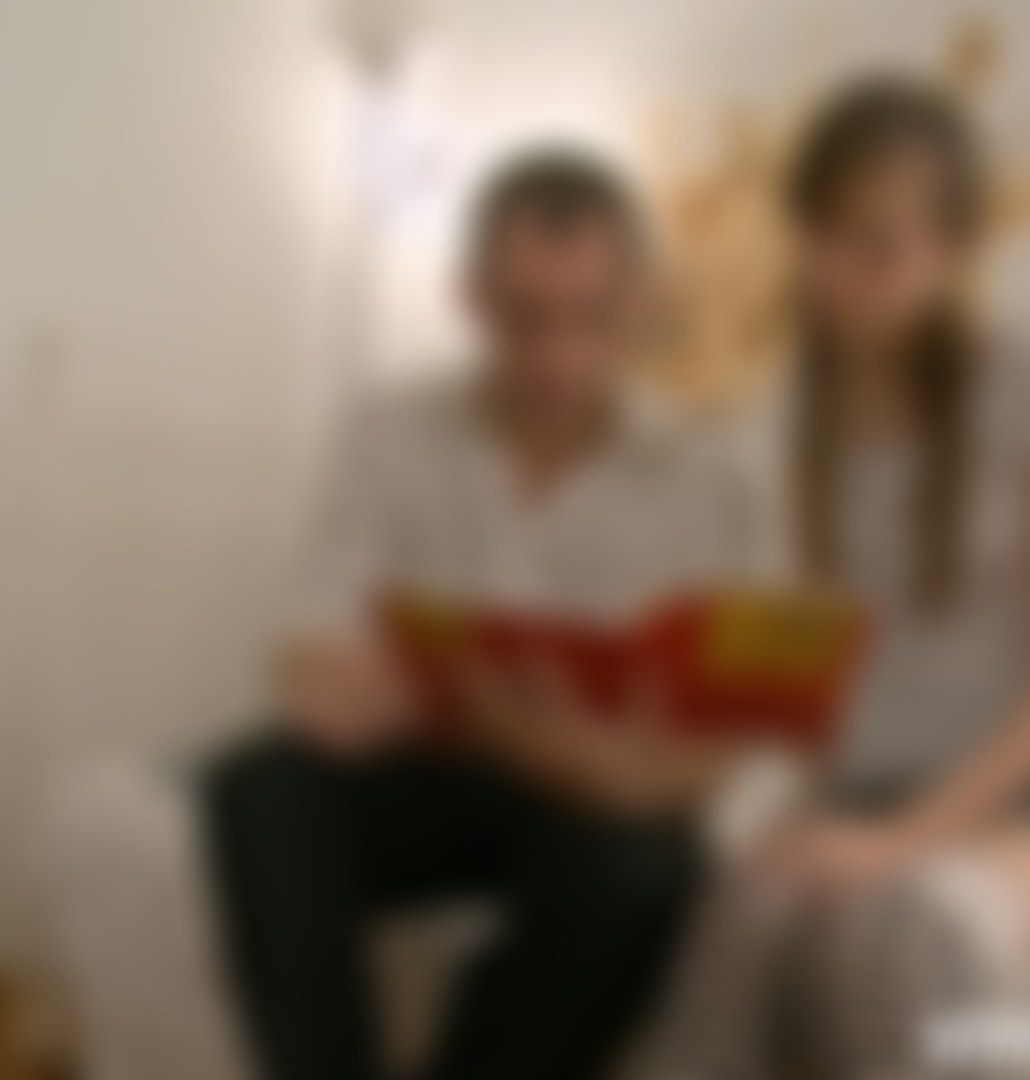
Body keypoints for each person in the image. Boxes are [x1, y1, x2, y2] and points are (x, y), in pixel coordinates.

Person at [630, 75, 1030, 1079]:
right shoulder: (790, 411)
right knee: (729, 930)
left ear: (953, 252)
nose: (835, 271)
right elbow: (835, 675)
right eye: (820, 234)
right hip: (872, 787)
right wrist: (799, 817)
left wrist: (905, 842)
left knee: (895, 943)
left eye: (878, 246)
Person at [202, 148, 773, 1080]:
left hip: (598, 793)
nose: (557, 357)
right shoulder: (389, 425)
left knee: (639, 864)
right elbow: (312, 616)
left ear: (637, 302)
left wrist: (626, 766)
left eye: (591, 319)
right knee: (259, 784)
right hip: (432, 768)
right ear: (470, 297)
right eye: (523, 319)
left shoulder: (711, 469)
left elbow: (732, 733)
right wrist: (326, 679)